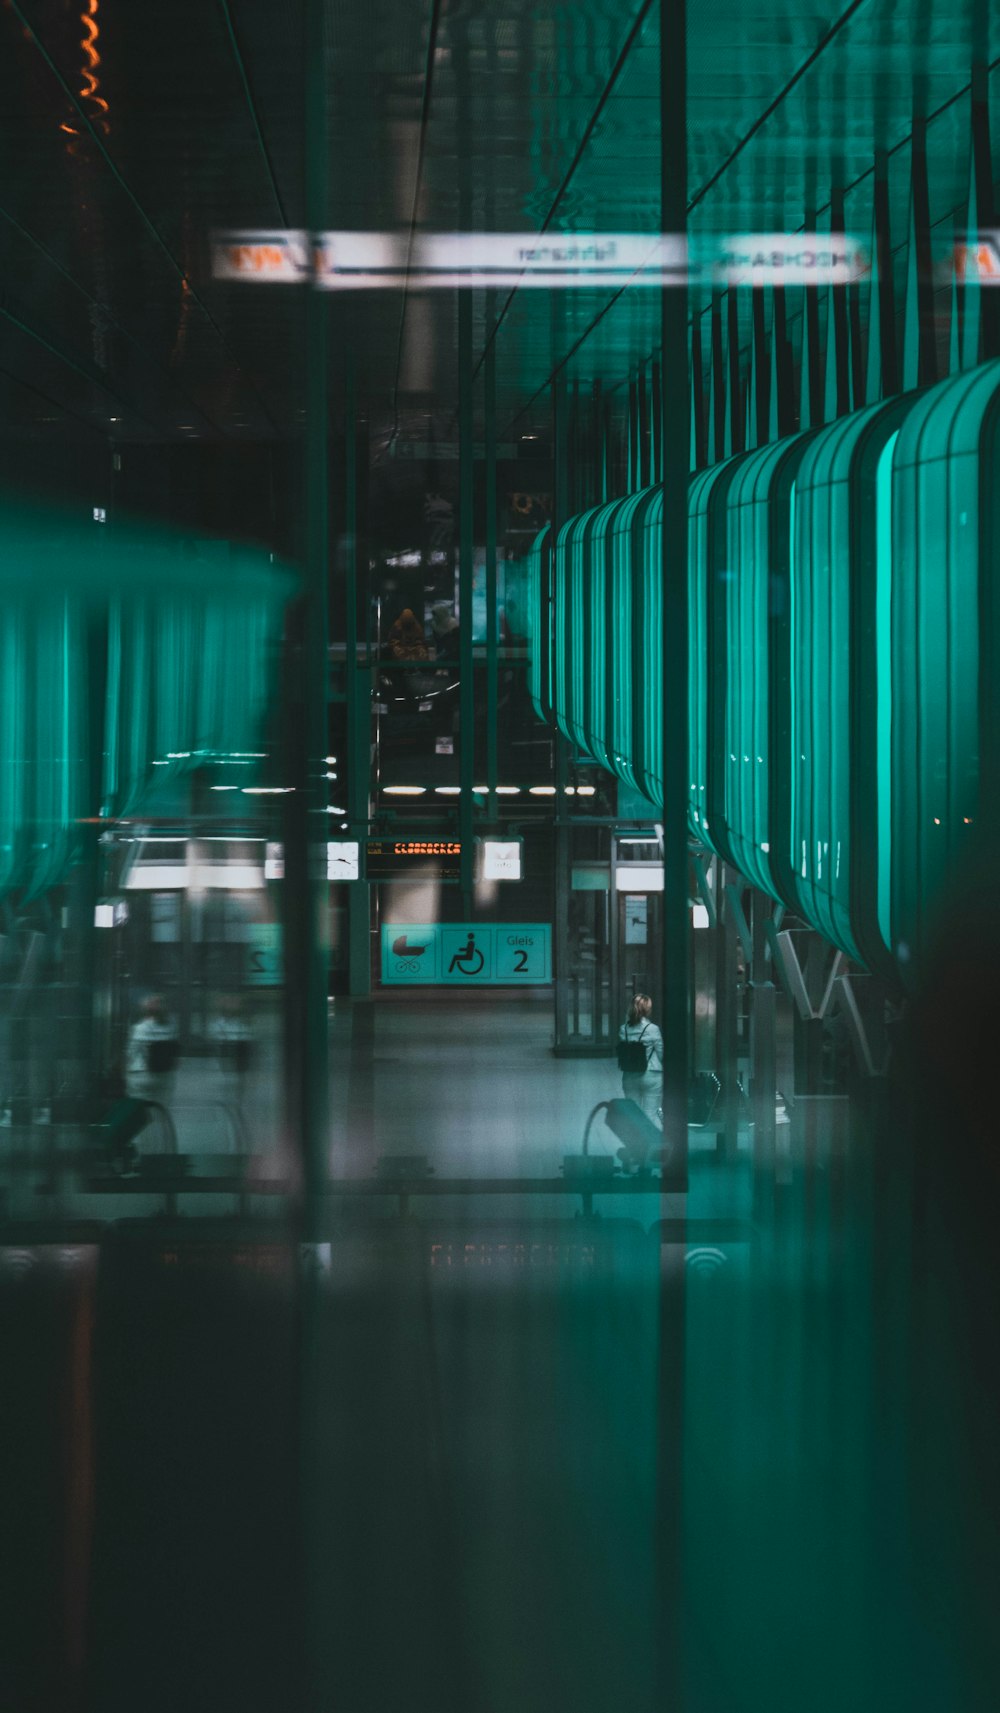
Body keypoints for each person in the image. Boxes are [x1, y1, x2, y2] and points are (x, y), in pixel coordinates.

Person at [125, 993, 180, 1108]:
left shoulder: (140, 1028)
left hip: (140, 1074)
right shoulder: (172, 1028)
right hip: (164, 1075)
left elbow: (131, 1053)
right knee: (161, 1107)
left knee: (139, 1109)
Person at [618, 993, 663, 1125]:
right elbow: (661, 1054)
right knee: (650, 1113)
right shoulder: (653, 1029)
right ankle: (650, 1143)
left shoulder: (623, 1029)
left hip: (629, 1075)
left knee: (633, 1114)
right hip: (651, 1075)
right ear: (647, 1010)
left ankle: (635, 1143)